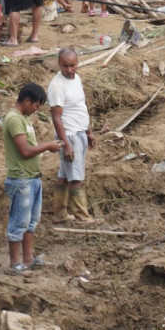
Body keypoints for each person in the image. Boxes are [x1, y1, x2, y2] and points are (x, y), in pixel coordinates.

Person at [2, 83, 61, 274]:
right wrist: (48, 146)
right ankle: (14, 264)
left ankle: (28, 259)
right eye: (36, 105)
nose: (36, 110)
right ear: (27, 101)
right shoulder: (14, 120)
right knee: (19, 222)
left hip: (32, 178)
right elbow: (25, 151)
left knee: (31, 222)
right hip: (21, 180)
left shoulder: (24, 118)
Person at [48, 48, 96, 222]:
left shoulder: (76, 79)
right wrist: (66, 144)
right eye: (65, 66)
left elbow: (80, 107)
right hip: (69, 135)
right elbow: (56, 117)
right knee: (75, 177)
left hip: (80, 132)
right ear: (59, 64)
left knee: (64, 175)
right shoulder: (57, 86)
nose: (69, 69)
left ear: (77, 63)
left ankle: (59, 213)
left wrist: (89, 132)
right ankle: (82, 216)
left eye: (72, 65)